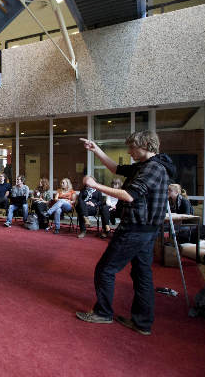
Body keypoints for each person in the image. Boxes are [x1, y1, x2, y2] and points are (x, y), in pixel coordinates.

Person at [76, 131, 175, 336]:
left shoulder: (153, 168)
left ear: (147, 145)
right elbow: (117, 168)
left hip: (135, 228)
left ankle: (103, 313)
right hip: (145, 229)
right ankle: (142, 323)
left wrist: (95, 185)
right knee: (142, 274)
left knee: (105, 269)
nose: (129, 152)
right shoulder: (148, 165)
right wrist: (97, 150)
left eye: (133, 148)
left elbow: (129, 195)